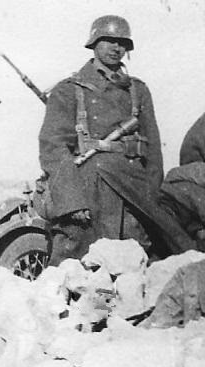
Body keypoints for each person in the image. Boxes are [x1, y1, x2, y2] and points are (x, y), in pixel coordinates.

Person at [38, 15, 193, 265]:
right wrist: (71, 201)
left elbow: (153, 151)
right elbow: (53, 148)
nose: (116, 47)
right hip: (88, 193)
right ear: (94, 43)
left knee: (141, 263)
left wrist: (151, 195)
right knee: (78, 266)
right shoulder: (69, 90)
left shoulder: (138, 90)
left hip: (133, 191)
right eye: (109, 40)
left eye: (122, 42)